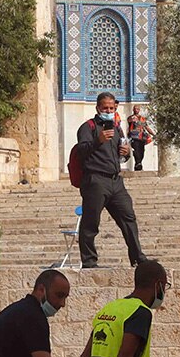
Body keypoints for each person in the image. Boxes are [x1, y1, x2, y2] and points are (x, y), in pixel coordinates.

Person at [75, 92, 145, 269]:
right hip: (95, 180)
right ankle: (89, 261)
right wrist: (98, 141)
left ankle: (138, 258)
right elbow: (81, 151)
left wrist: (126, 153)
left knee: (128, 218)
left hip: (116, 181)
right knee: (91, 222)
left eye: (112, 108)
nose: (108, 110)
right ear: (97, 108)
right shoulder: (87, 127)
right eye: (105, 108)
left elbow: (120, 156)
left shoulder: (118, 129)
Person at [125, 105, 153, 172]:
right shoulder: (131, 117)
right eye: (135, 109)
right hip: (134, 137)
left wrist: (153, 134)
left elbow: (146, 127)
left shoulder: (142, 118)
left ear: (139, 110)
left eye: (137, 109)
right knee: (136, 151)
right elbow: (129, 121)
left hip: (141, 137)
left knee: (142, 151)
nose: (136, 110)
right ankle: (138, 165)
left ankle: (139, 164)